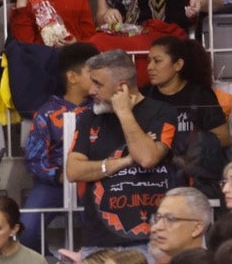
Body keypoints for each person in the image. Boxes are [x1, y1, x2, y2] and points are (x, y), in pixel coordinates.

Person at [66, 49, 179, 250]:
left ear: (122, 87)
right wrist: (123, 161)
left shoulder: (162, 112)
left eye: (98, 84)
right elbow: (73, 171)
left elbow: (146, 158)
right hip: (98, 242)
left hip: (150, 241)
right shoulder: (88, 118)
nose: (91, 90)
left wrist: (124, 112)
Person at [23, 42, 97, 249]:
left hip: (92, 181)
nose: (99, 77)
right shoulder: (46, 112)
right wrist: (58, 175)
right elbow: (34, 159)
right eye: (92, 72)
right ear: (72, 77)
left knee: (100, 229)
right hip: (53, 183)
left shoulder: (102, 110)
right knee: (26, 228)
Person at [143, 36, 230, 148]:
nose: (150, 67)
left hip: (193, 162)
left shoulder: (201, 95)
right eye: (149, 61)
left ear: (178, 65)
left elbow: (224, 137)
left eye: (157, 61)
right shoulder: (143, 96)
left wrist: (191, 143)